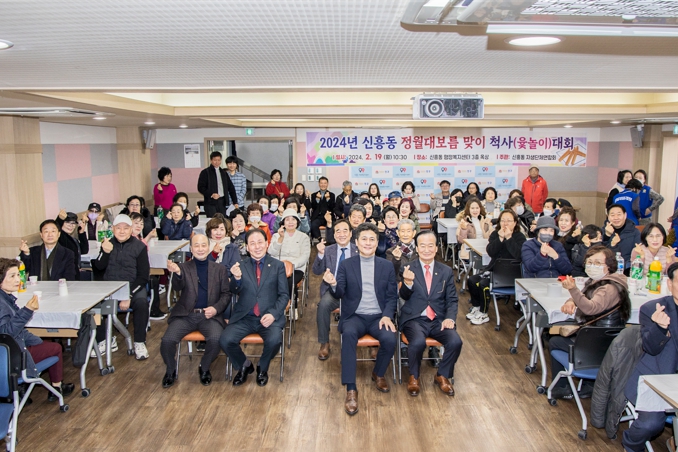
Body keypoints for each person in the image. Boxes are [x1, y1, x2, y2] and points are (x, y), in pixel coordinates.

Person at [322, 222, 398, 416]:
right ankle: (351, 389)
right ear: (356, 242)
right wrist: (333, 284)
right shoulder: (347, 265)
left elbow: (392, 296)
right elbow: (340, 292)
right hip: (354, 316)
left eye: (372, 239)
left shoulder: (386, 265)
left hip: (378, 317)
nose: (368, 242)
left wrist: (387, 315)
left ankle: (378, 373)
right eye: (364, 239)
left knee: (390, 339)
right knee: (348, 336)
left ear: (377, 243)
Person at [548, 246, 631, 400]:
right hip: (602, 338)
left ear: (609, 265)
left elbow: (590, 308)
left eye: (598, 263)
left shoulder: (608, 288)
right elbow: (584, 296)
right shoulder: (601, 282)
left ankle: (562, 387)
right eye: (590, 262)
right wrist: (571, 300)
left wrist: (572, 290)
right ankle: (589, 385)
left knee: (555, 341)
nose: (592, 266)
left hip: (596, 345)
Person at [160, 234, 231, 388]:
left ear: (209, 247)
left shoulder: (219, 269)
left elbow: (226, 294)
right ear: (191, 249)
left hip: (210, 316)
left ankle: (204, 367)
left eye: (203, 245)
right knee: (167, 340)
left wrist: (215, 309)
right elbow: (177, 287)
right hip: (186, 315)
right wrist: (177, 273)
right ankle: (171, 370)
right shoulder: (183, 267)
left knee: (216, 339)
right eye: (196, 246)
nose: (200, 249)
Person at [219, 228, 288, 387]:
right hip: (245, 316)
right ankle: (244, 365)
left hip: (269, 316)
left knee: (274, 340)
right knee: (225, 340)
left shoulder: (277, 266)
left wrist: (273, 314)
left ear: (267, 243)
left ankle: (262, 368)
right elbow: (233, 291)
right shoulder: (240, 266)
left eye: (260, 242)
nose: (257, 247)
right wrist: (236, 278)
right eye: (252, 243)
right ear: (247, 248)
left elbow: (284, 295)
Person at [622, 261, 678, 452]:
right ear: (669, 284)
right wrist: (660, 329)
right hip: (657, 376)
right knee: (650, 424)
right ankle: (631, 444)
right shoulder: (653, 308)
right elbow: (650, 348)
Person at [0, 258, 75, 400]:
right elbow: (6, 334)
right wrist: (27, 310)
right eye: (12, 276)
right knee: (56, 348)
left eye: (18, 275)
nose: (18, 280)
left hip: (10, 352)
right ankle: (56, 388)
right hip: (10, 358)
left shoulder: (6, 298)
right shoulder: (2, 303)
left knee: (44, 345)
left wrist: (36, 341)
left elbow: (17, 330)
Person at [399, 230, 462, 397]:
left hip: (438, 319)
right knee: (417, 342)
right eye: (422, 246)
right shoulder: (407, 268)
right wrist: (407, 283)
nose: (426, 250)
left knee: (455, 341)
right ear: (417, 248)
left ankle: (442, 375)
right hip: (415, 318)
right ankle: (414, 376)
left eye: (430, 246)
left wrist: (450, 318)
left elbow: (452, 299)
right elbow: (403, 296)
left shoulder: (446, 271)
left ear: (436, 248)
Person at [92, 214, 150, 360]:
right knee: (95, 305)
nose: (122, 231)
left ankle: (139, 342)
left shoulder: (139, 247)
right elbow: (98, 268)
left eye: (126, 228)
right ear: (113, 229)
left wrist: (128, 295)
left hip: (132, 287)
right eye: (118, 228)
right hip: (110, 288)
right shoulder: (107, 244)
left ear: (131, 229)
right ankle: (104, 340)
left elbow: (143, 276)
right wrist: (104, 253)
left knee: (141, 303)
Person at [467, 210, 526, 325]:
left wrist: (509, 238)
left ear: (515, 223)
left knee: (484, 284)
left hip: (511, 274)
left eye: (509, 221)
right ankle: (477, 307)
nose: (505, 223)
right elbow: (491, 252)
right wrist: (500, 239)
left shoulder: (519, 237)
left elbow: (518, 255)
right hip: (495, 270)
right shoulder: (495, 234)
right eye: (503, 220)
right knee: (472, 280)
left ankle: (484, 313)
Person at [312, 219, 356, 360]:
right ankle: (324, 342)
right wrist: (320, 254)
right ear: (334, 235)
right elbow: (316, 271)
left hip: (355, 292)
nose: (341, 234)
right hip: (333, 289)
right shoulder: (328, 250)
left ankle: (372, 345)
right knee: (323, 305)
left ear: (351, 233)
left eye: (345, 231)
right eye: (338, 231)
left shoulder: (359, 249)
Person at [268, 209, 311, 300]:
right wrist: (280, 239)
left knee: (288, 282)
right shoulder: (276, 236)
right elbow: (271, 252)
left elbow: (304, 256)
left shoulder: (304, 237)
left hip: (296, 268)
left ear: (297, 222)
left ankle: (290, 304)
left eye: (293, 219)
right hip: (278, 267)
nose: (290, 222)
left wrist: (290, 265)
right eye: (287, 219)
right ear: (283, 222)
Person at [197, 151, 239, 217]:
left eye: (219, 160)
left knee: (222, 220)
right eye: (215, 160)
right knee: (213, 220)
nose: (217, 162)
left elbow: (231, 187)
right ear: (211, 160)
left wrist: (235, 202)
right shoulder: (205, 172)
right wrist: (211, 194)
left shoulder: (223, 172)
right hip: (210, 203)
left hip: (222, 202)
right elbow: (201, 187)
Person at [602, 204, 641, 268]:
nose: (616, 218)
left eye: (619, 214)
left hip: (627, 268)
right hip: (606, 267)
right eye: (612, 215)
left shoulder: (635, 232)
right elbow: (599, 252)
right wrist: (607, 235)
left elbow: (637, 254)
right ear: (608, 217)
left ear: (625, 215)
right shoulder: (602, 231)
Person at [55, 210, 89, 279]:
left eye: (73, 223)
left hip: (74, 273)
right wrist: (59, 219)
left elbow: (84, 250)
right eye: (67, 223)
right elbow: (56, 229)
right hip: (65, 275)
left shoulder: (72, 239)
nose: (71, 226)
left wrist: (81, 233)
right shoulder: (60, 238)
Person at [310, 177, 336, 241]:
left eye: (325, 183)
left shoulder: (332, 195)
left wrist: (328, 199)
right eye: (321, 183)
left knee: (333, 226)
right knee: (313, 225)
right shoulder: (314, 195)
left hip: (328, 217)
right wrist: (317, 199)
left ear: (327, 184)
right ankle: (320, 239)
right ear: (319, 184)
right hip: (318, 217)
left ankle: (330, 241)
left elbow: (332, 207)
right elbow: (313, 207)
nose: (323, 185)